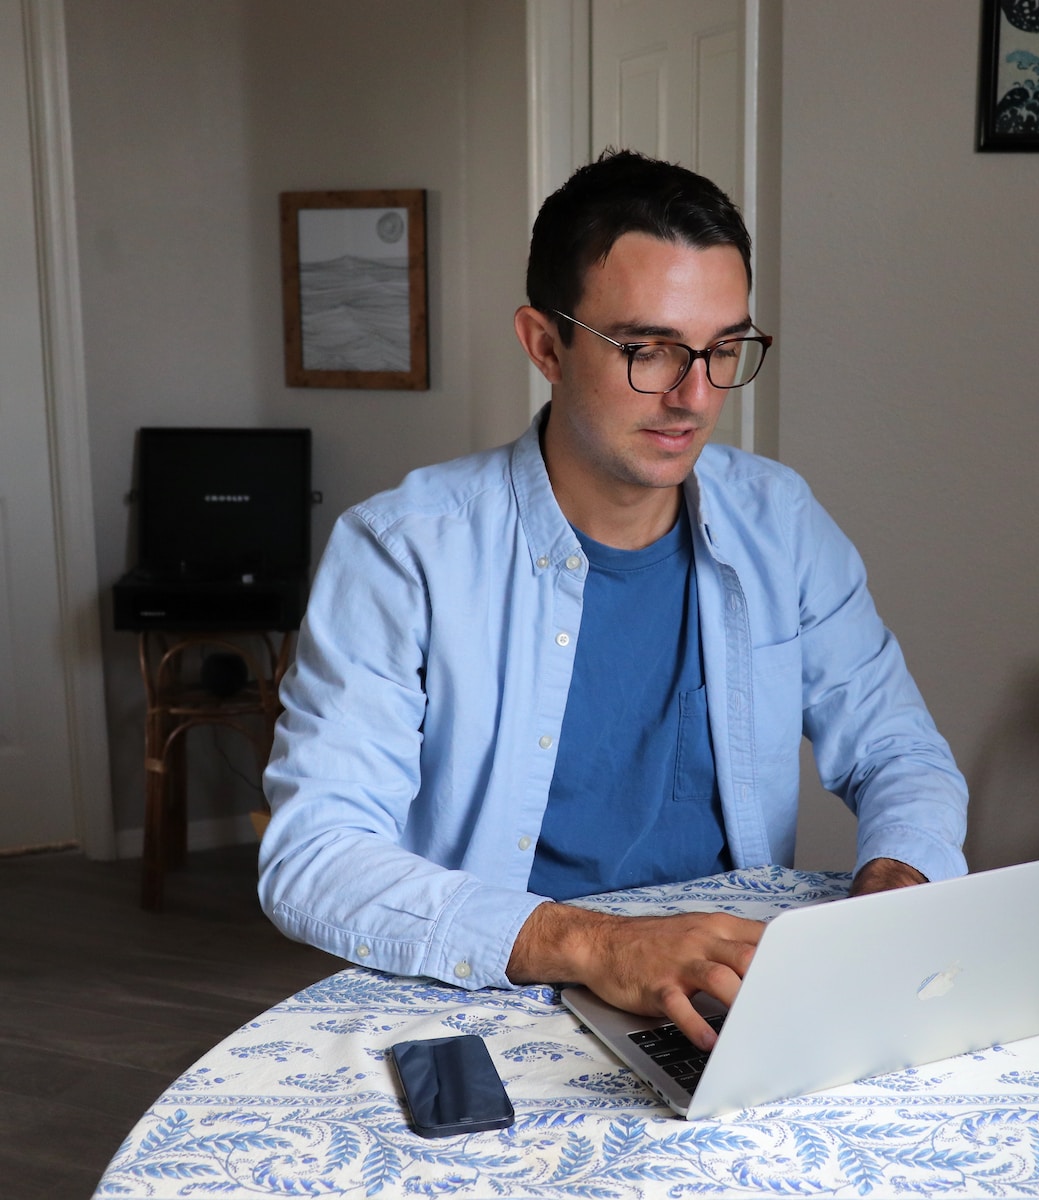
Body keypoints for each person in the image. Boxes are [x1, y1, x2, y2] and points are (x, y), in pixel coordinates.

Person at [259, 150, 968, 1050]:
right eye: (649, 349)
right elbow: (313, 858)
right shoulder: (402, 551)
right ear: (544, 345)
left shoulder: (779, 520)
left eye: (723, 350)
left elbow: (901, 750)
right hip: (494, 1001)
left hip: (728, 1002)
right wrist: (594, 944)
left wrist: (899, 884)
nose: (694, 397)